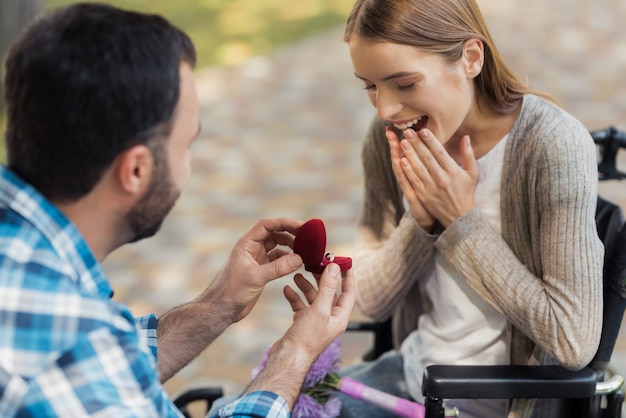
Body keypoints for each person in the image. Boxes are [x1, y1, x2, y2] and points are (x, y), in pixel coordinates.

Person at [0, 3, 355, 417]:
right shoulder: (69, 340)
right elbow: (93, 366)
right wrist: (295, 353)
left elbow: (115, 370)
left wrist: (218, 305)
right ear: (136, 169)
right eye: (186, 146)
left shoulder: (37, 278)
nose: (189, 166)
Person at [337, 0, 604, 417]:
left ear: (471, 58)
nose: (385, 109)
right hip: (411, 385)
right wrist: (422, 219)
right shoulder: (389, 138)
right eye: (370, 86)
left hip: (509, 407)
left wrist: (462, 224)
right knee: (248, 406)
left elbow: (573, 339)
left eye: (404, 84)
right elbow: (369, 299)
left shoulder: (552, 145)